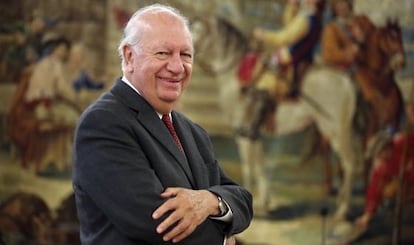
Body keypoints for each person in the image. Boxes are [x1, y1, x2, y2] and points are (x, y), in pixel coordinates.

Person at [72, 4, 253, 245]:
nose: (177, 67)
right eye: (163, 53)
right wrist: (224, 239)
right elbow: (157, 223)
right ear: (129, 57)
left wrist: (210, 201)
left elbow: (243, 200)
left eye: (186, 55)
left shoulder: (193, 132)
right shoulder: (102, 124)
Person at [253, 0, 325, 98]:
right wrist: (292, 7)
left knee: (264, 84)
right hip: (299, 58)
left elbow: (284, 38)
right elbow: (289, 25)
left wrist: (264, 35)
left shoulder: (305, 19)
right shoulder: (312, 18)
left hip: (289, 59)